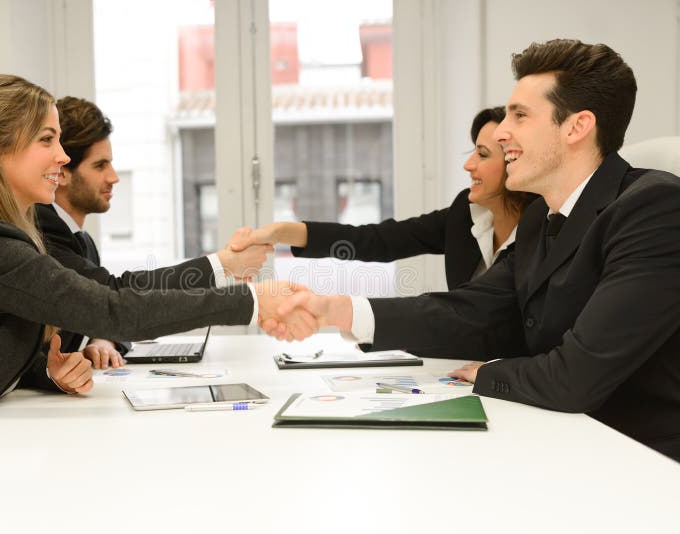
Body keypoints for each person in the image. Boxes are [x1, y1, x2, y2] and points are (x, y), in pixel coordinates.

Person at [269, 39, 680, 461]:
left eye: (520, 116)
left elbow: (576, 377)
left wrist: (489, 373)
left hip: (644, 462)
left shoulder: (654, 208)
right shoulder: (540, 217)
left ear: (576, 127)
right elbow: (474, 312)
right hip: (565, 439)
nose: (502, 133)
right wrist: (338, 310)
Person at [0, 74, 313, 464]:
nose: (62, 157)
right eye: (46, 140)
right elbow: (114, 309)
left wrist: (49, 371)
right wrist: (253, 300)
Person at [35, 97, 271, 368]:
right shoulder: (43, 232)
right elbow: (115, 294)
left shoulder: (82, 240)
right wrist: (223, 265)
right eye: (100, 166)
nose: (114, 177)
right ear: (62, 171)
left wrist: (104, 339)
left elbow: (102, 310)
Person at [231, 107, 536, 289]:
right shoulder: (465, 213)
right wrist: (280, 232)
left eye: (482, 155)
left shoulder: (547, 228)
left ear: (515, 160)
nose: (468, 165)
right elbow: (377, 239)